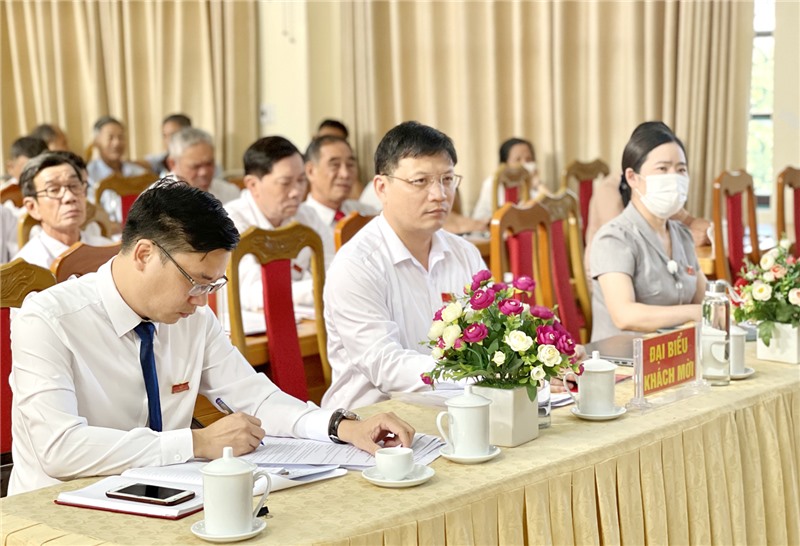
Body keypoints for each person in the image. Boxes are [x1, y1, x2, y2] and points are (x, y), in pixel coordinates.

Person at [9, 179, 414, 495]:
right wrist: (195, 443)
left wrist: (342, 426)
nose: (202, 301)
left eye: (212, 285)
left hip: (165, 497)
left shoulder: (192, 317)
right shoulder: (47, 319)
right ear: (144, 254)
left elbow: (255, 396)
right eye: (195, 281)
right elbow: (60, 448)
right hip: (60, 508)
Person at [321, 121, 486, 410]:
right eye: (420, 181)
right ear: (382, 187)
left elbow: (491, 333)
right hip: (371, 421)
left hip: (457, 409)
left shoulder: (465, 254)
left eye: (447, 179)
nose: (439, 194)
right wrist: (477, 376)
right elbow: (386, 366)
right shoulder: (356, 265)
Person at [590, 121, 706, 341]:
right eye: (662, 169)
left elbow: (704, 298)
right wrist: (694, 313)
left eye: (681, 169)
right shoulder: (614, 238)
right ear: (632, 177)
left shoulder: (682, 235)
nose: (674, 177)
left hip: (675, 353)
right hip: (623, 357)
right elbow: (624, 315)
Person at [224, 136, 334, 309]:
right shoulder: (231, 221)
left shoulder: (308, 217)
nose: (296, 192)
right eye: (285, 183)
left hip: (304, 317)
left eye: (301, 180)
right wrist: (317, 287)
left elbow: (332, 271)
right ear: (253, 184)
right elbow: (253, 293)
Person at [13, 152, 113, 269]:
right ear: (32, 207)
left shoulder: (109, 253)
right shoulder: (25, 270)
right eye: (54, 190)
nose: (69, 197)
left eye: (74, 185)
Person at [304, 136, 376, 245]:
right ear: (310, 171)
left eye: (350, 165)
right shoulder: (300, 224)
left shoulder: (367, 214)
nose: (345, 174)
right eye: (335, 165)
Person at [86, 116, 148, 222]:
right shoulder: (88, 175)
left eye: (121, 137)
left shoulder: (139, 173)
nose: (117, 143)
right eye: (110, 138)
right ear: (96, 142)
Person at [470, 137, 541, 221]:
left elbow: (545, 210)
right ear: (505, 163)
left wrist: (537, 185)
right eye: (518, 160)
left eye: (529, 159)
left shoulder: (532, 182)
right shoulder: (493, 182)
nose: (524, 164)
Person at [166, 127, 240, 204]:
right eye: (195, 166)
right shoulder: (161, 200)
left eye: (209, 163)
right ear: (172, 164)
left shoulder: (229, 193)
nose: (204, 172)